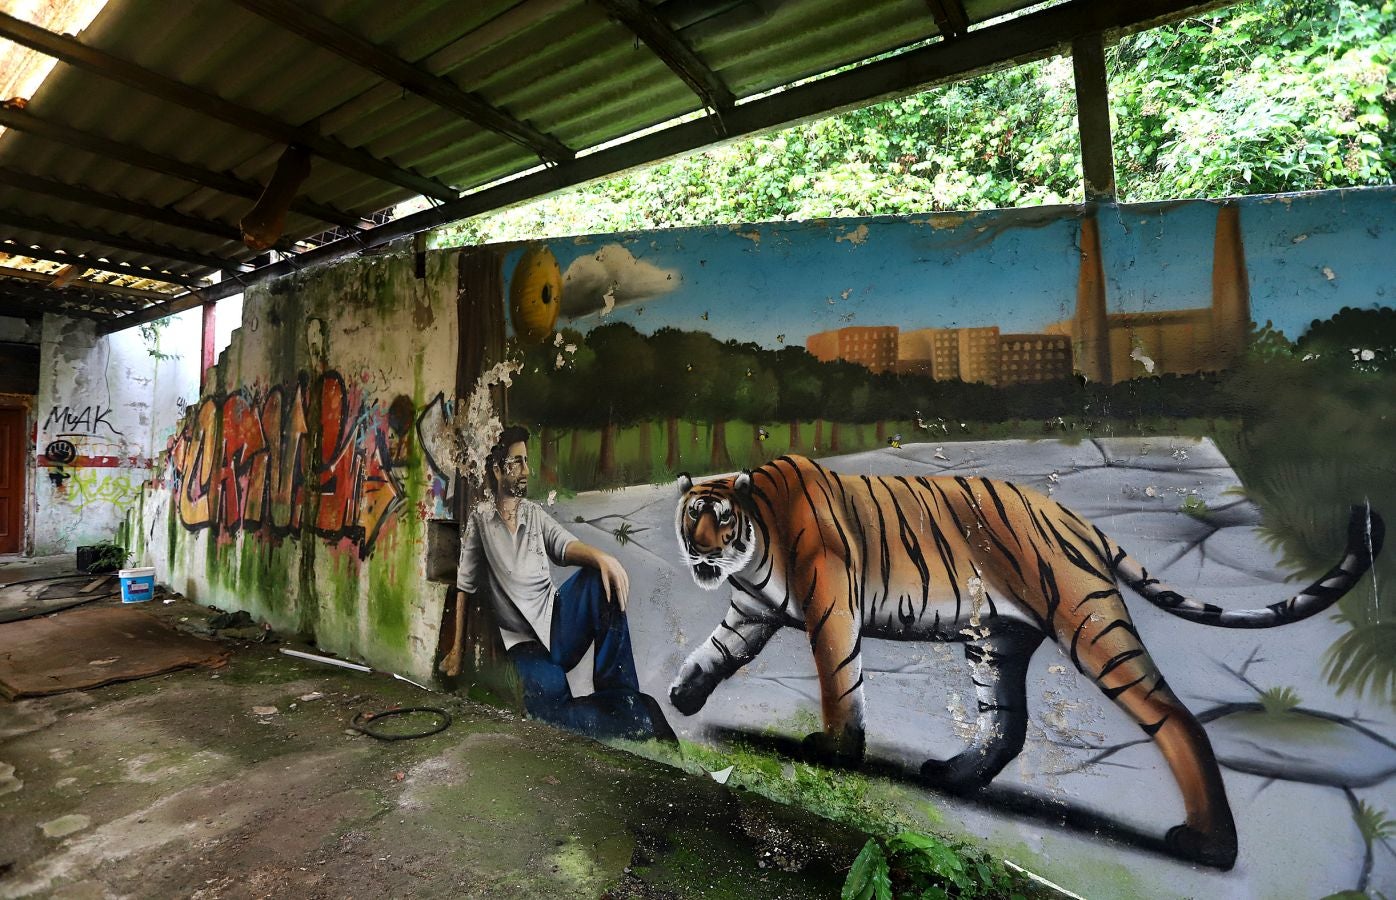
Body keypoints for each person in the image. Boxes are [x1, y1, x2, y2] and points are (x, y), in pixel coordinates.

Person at [450, 425, 674, 742]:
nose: (527, 470)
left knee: (599, 578)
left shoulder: (534, 514)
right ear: (499, 470)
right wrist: (457, 650)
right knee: (553, 714)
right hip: (525, 646)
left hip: (557, 625)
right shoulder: (480, 522)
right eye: (518, 462)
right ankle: (634, 715)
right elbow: (465, 587)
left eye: (527, 460)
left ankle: (623, 696)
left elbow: (566, 547)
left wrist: (602, 558)